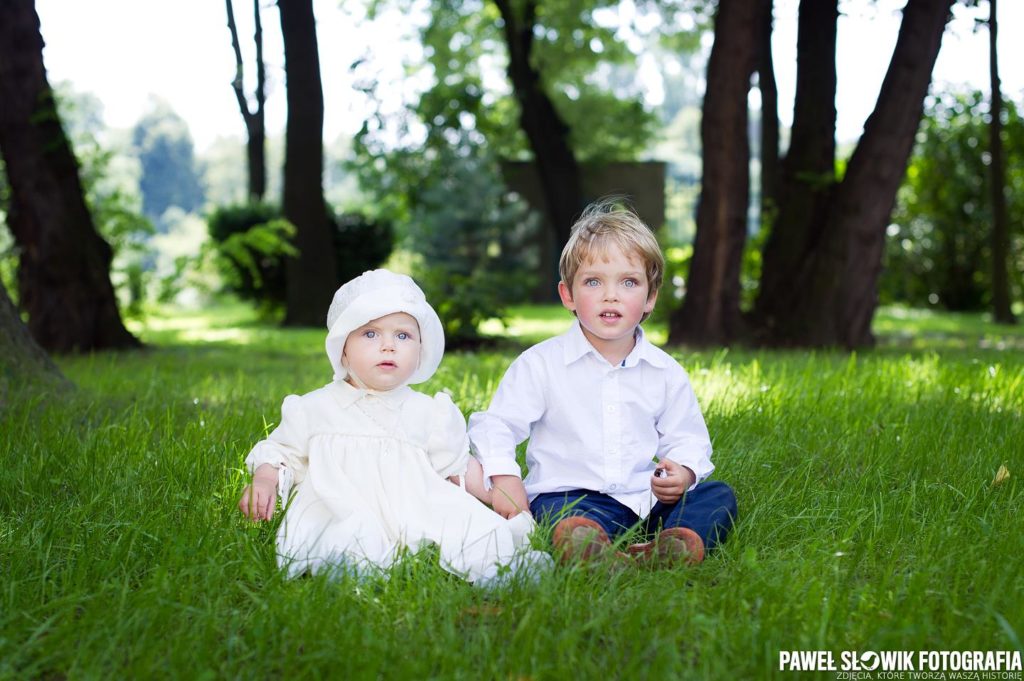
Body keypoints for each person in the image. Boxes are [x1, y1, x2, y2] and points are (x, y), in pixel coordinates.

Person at [466, 202, 737, 566]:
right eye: (594, 281)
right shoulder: (541, 364)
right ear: (568, 296)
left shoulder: (664, 371)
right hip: (572, 497)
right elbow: (497, 424)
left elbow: (687, 438)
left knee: (717, 495)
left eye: (629, 282)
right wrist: (504, 476)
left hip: (644, 500)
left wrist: (683, 472)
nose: (611, 295)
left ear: (650, 298)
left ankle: (672, 544)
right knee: (560, 514)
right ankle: (589, 547)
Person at [238, 269, 546, 585]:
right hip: (341, 508)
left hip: (415, 507)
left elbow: (457, 468)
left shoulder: (429, 412)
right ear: (343, 346)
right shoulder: (314, 408)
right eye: (370, 334)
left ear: (421, 350)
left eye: (403, 335)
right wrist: (264, 480)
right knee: (341, 536)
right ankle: (344, 566)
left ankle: (495, 570)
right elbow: (280, 452)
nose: (388, 346)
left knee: (471, 533)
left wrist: (497, 494)